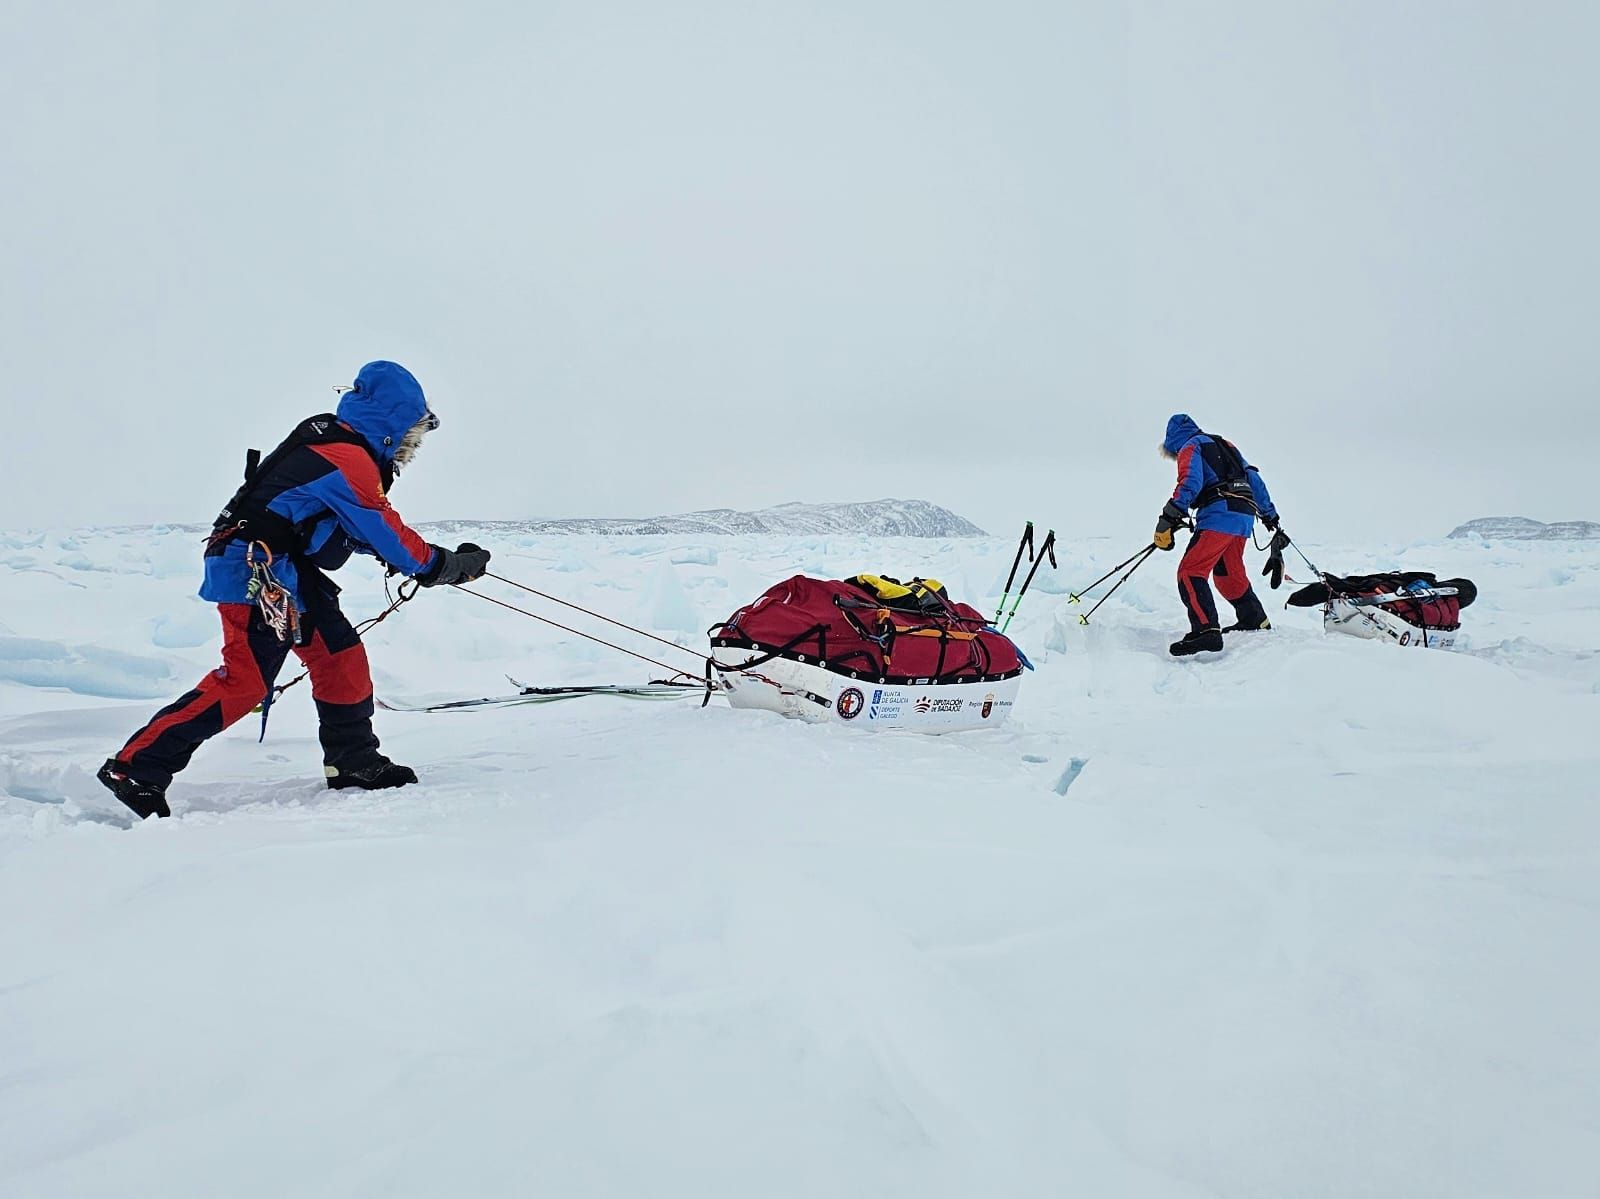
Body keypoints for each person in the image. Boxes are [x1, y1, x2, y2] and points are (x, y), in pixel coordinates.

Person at [97, 361, 491, 819]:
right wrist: (447, 566)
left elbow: (358, 528)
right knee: (245, 681)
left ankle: (353, 762)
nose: (413, 445)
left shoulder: (341, 448)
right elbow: (382, 529)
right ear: (392, 425)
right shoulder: (344, 457)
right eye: (412, 433)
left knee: (340, 657)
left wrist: (434, 561)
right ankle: (135, 769)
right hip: (254, 570)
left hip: (287, 570)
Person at [1153, 413, 1283, 658]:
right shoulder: (1226, 444)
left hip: (1219, 514)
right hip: (1244, 516)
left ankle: (1206, 631)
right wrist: (1269, 515)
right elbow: (1254, 478)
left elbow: (1190, 481)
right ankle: (1254, 619)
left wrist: (1170, 515)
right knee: (1228, 574)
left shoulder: (1190, 446)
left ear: (1173, 442)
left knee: (1190, 571)